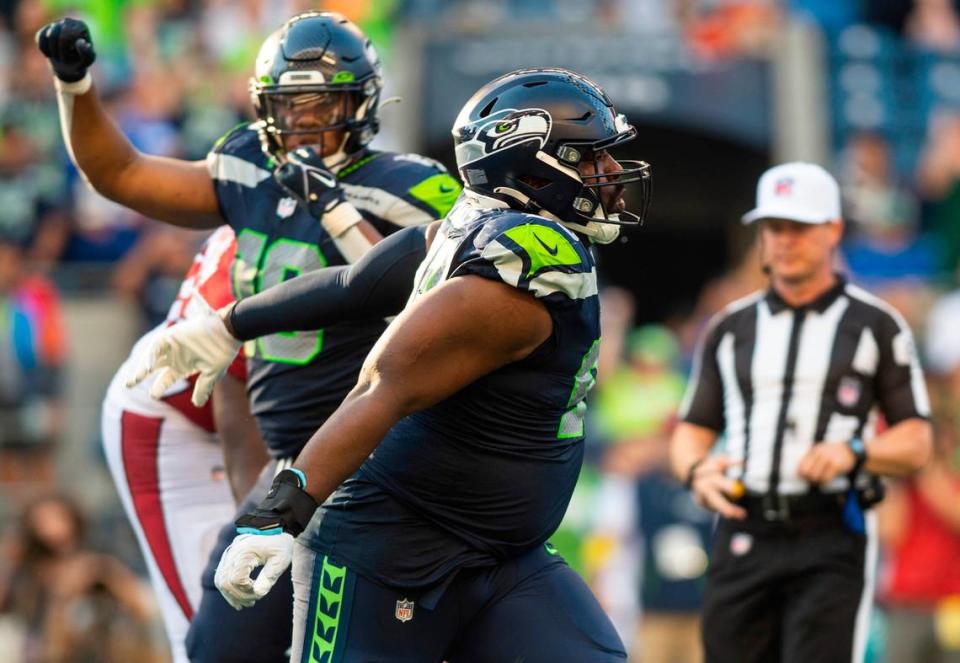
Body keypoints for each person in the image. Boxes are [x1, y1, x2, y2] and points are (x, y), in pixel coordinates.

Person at [133, 67, 653, 661]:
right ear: (534, 168)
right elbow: (381, 387)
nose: (610, 174)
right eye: (591, 158)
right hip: (385, 557)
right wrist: (279, 516)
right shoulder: (518, 276)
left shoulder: (468, 230)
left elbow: (355, 283)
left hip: (504, 556)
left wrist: (231, 322)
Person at [37, 11, 460, 662]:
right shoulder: (250, 180)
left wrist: (337, 209)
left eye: (324, 103)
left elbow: (430, 302)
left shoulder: (406, 188)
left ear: (362, 102)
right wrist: (75, 84)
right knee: (221, 628)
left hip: (294, 431)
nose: (305, 123)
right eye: (289, 106)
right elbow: (121, 176)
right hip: (181, 407)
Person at [670, 162, 933, 663]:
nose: (785, 241)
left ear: (833, 229)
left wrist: (854, 452)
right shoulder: (729, 328)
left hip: (829, 532)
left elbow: (916, 440)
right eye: (774, 228)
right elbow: (693, 430)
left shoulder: (876, 325)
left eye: (799, 227)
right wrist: (698, 471)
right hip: (744, 525)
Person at [100, 225, 267, 663]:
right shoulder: (259, 245)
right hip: (176, 415)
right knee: (213, 623)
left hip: (248, 411)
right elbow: (236, 397)